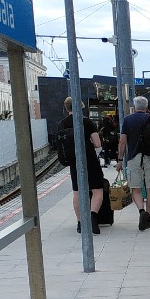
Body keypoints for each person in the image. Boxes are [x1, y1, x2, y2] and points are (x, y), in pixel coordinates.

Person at [118, 96, 150, 231]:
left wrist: (119, 160)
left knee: (136, 188)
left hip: (133, 157)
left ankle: (141, 211)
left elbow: (122, 142)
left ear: (134, 107)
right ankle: (147, 217)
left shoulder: (128, 120)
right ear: (146, 107)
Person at [59, 97, 104, 234]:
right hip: (89, 159)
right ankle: (92, 217)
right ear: (81, 107)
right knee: (97, 190)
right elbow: (97, 144)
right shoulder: (87, 122)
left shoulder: (62, 124)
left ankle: (80, 223)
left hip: (73, 161)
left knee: (77, 192)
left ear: (67, 108)